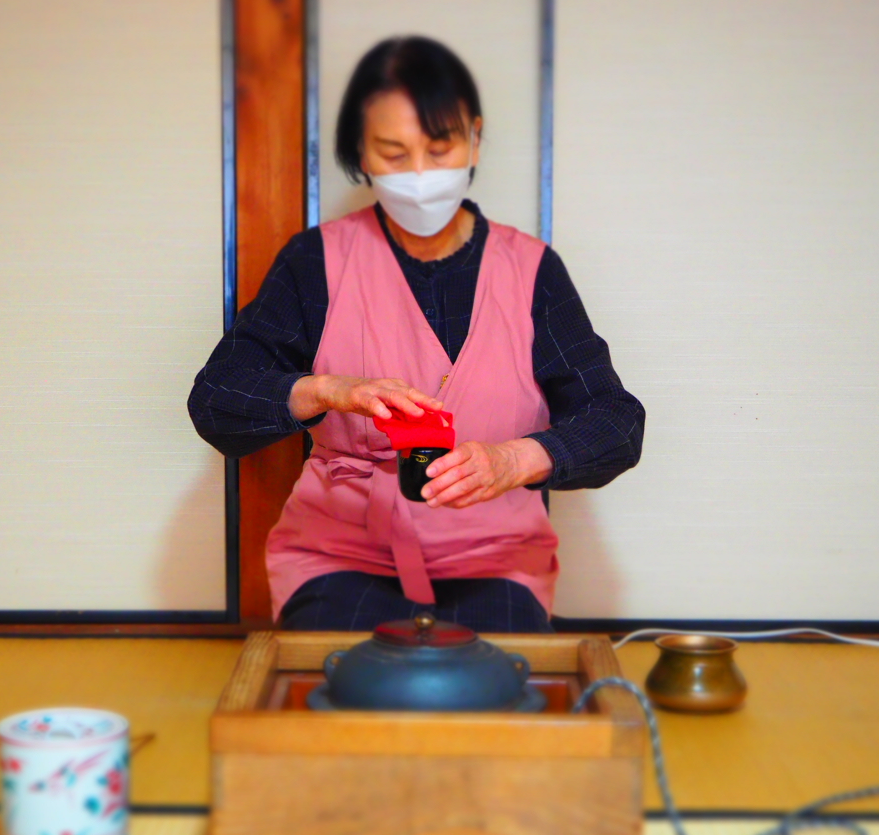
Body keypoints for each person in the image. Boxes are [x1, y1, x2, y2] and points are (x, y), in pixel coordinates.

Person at [189, 36, 644, 632]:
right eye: (394, 153)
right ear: (361, 151)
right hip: (340, 551)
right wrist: (326, 390)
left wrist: (514, 460)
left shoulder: (531, 269)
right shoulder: (316, 261)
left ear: (474, 137)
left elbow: (616, 421)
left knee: (491, 680)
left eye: (440, 147)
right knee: (344, 680)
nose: (422, 174)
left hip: (495, 555)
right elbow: (217, 400)